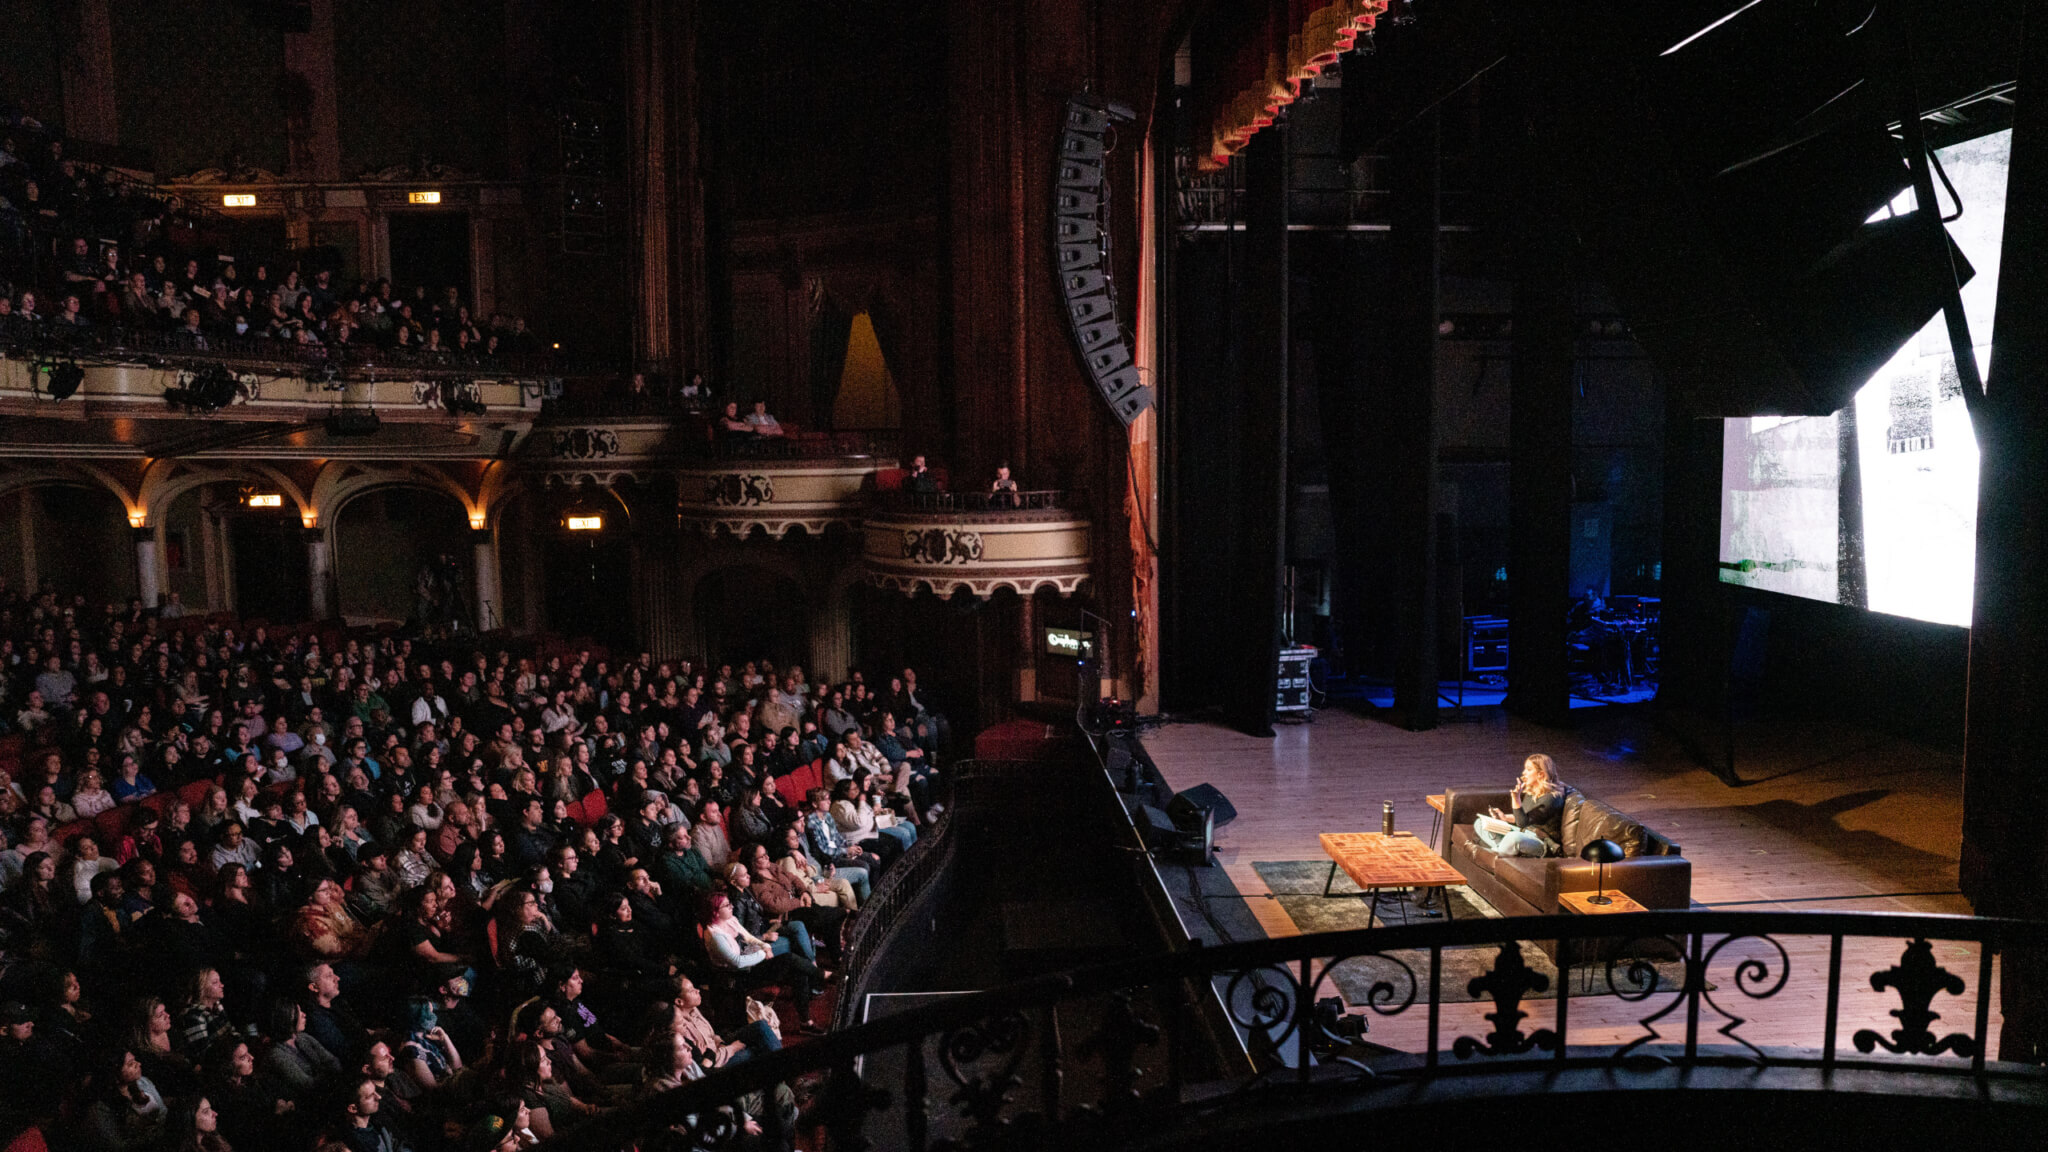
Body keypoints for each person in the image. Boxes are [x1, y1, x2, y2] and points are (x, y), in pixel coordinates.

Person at [1472, 752, 1570, 858]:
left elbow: (1522, 823)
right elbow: (1525, 817)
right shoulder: (1532, 792)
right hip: (1525, 832)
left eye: (1529, 769)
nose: (1524, 773)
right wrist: (1504, 817)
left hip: (1542, 842)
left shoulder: (1552, 798)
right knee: (1480, 823)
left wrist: (1516, 798)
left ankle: (1499, 851)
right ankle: (1501, 850)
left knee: (1513, 837)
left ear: (1540, 774)